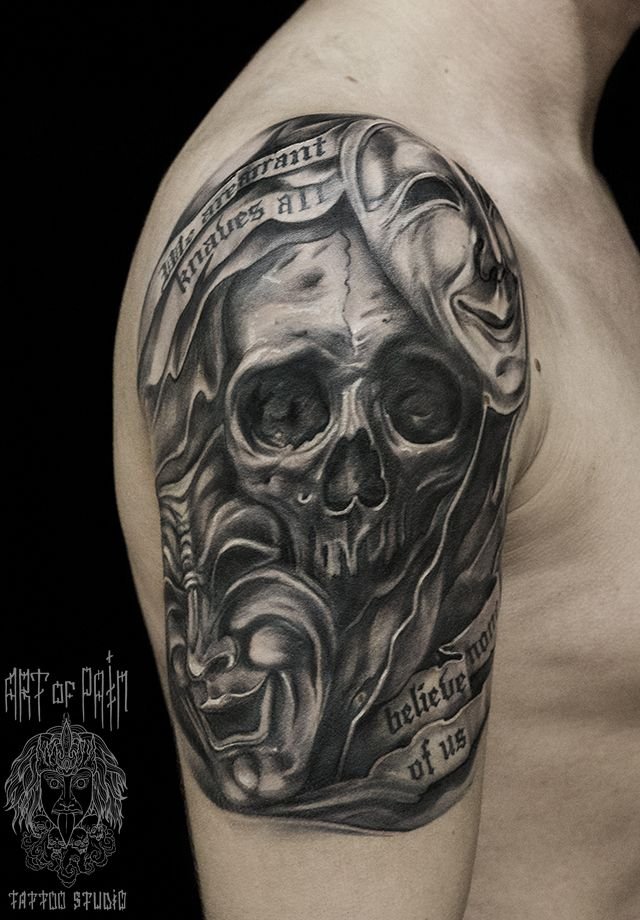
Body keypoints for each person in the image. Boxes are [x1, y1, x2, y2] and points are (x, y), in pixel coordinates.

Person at [113, 2, 640, 917]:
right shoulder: (356, 176)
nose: (353, 485)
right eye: (287, 412)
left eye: (416, 408)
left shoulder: (535, 171)